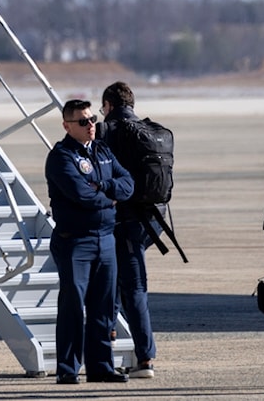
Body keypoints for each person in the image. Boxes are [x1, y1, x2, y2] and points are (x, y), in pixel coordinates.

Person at [45, 98, 133, 385]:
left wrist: (105, 187)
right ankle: (67, 370)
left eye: (92, 119)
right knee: (72, 306)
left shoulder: (103, 150)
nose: (91, 125)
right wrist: (110, 199)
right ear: (67, 126)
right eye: (83, 122)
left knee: (103, 307)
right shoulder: (61, 157)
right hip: (75, 242)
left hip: (106, 239)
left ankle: (100, 367)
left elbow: (128, 184)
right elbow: (80, 195)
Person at [98, 81, 159, 379]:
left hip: (122, 220)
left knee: (127, 288)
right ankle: (115, 354)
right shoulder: (150, 132)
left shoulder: (108, 132)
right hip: (151, 221)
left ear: (109, 106)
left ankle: (144, 358)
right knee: (122, 285)